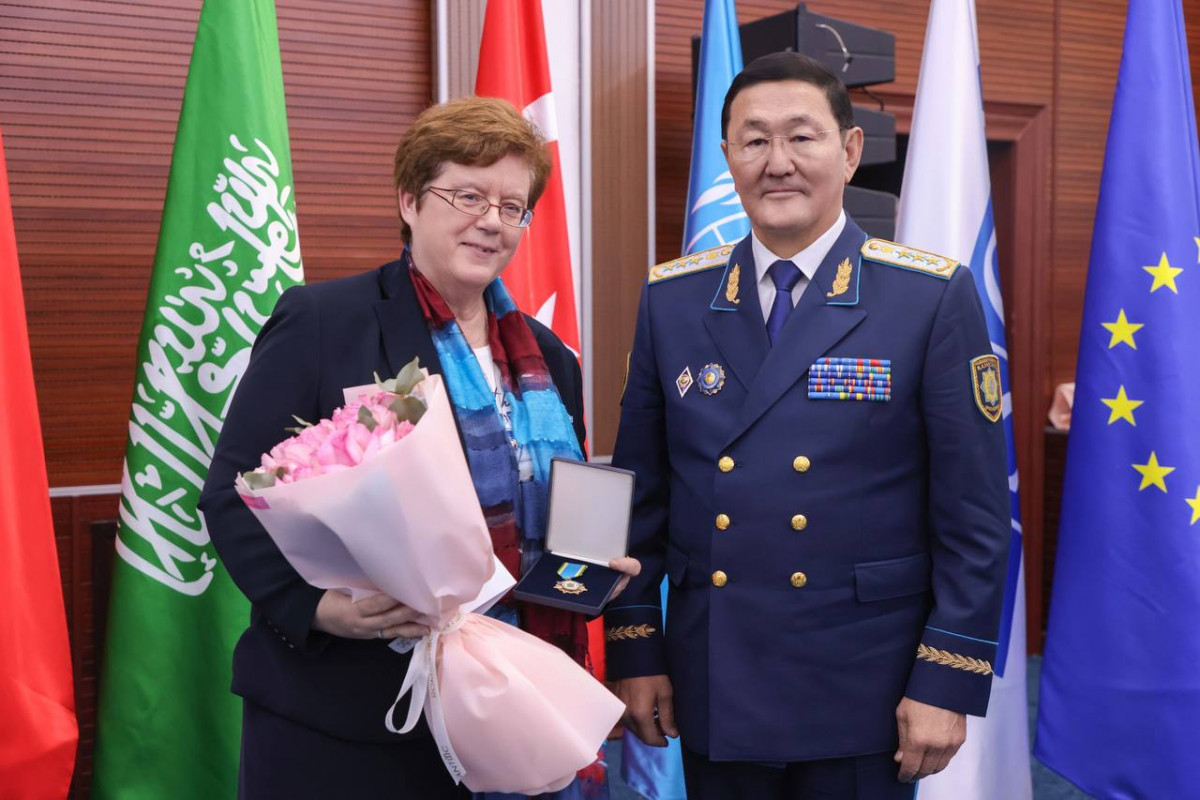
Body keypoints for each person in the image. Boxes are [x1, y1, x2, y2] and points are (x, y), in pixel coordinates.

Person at [198, 96, 638, 800]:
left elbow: (562, 523)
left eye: (512, 206)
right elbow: (231, 493)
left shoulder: (550, 358)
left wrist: (590, 568)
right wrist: (318, 608)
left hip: (510, 703)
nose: (491, 221)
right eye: (468, 196)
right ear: (409, 201)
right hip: (347, 716)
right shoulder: (324, 321)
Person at [604, 52, 1010, 799]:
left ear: (849, 151)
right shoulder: (673, 299)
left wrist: (946, 677)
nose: (777, 162)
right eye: (754, 140)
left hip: (866, 681)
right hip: (716, 673)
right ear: (727, 155)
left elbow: (974, 517)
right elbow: (638, 498)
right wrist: (635, 649)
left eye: (801, 136)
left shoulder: (927, 298)